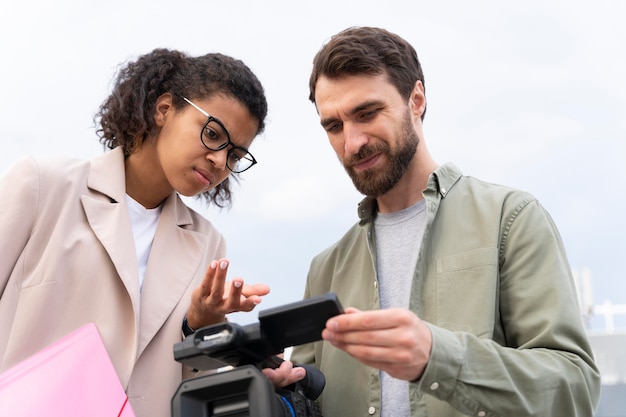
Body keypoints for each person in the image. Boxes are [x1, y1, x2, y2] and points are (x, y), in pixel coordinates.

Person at [287, 26, 602, 417]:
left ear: (416, 99)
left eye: (367, 113)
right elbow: (307, 401)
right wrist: (278, 393)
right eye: (334, 126)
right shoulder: (325, 269)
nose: (352, 142)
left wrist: (439, 357)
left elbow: (573, 389)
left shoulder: (511, 219)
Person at [0, 48, 273, 417]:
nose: (220, 161)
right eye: (212, 134)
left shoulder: (208, 242)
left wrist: (202, 325)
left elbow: (191, 383)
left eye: (236, 156)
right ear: (164, 109)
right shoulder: (41, 186)